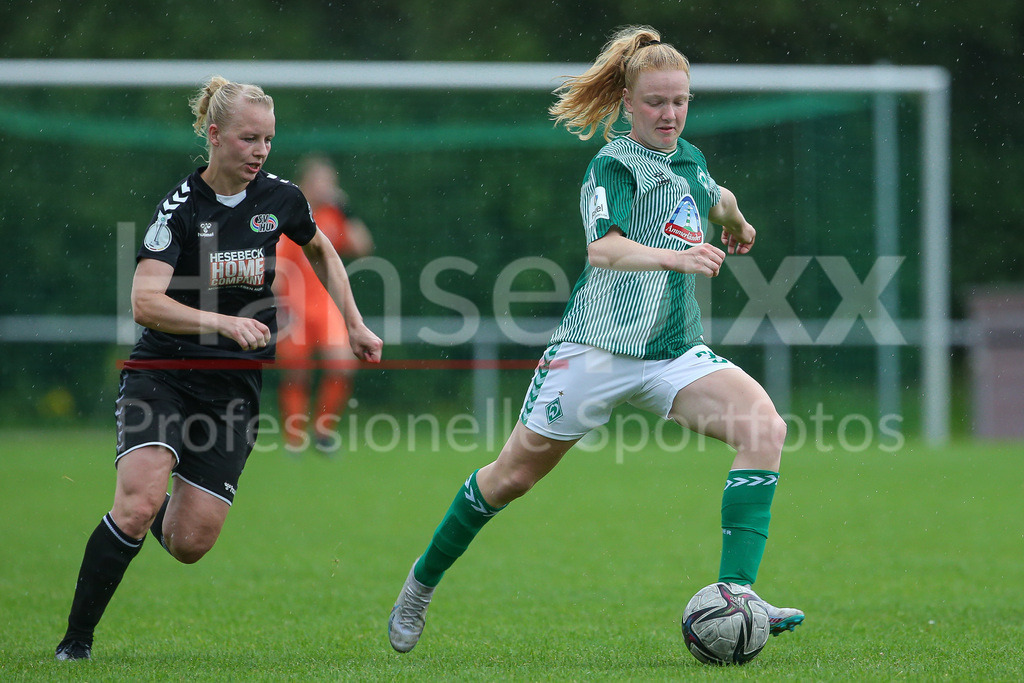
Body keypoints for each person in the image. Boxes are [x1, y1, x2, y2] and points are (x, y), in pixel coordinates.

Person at [388, 25, 804, 654]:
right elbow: (603, 249)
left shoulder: (689, 159)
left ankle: (737, 592)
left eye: (680, 101)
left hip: (671, 353)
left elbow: (715, 195)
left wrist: (737, 222)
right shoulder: (611, 165)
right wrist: (677, 258)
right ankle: (421, 584)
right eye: (656, 102)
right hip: (594, 353)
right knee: (511, 478)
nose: (669, 114)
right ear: (628, 103)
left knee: (764, 428)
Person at [54, 76, 383, 661]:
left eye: (268, 140)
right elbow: (145, 302)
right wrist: (224, 323)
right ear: (214, 135)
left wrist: (354, 323)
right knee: (135, 505)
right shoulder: (179, 208)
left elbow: (322, 249)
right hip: (162, 372)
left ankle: (152, 505)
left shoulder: (282, 199)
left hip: (232, 386)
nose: (260, 151)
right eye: (248, 139)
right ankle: (75, 641)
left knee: (189, 542)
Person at [274, 156, 374, 453]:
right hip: (293, 305)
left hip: (326, 304)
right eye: (322, 181)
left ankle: (323, 432)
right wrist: (278, 305)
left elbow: (363, 246)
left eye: (331, 182)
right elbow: (276, 267)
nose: (328, 187)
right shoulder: (288, 214)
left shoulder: (333, 215)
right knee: (296, 373)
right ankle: (294, 439)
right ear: (305, 183)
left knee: (342, 366)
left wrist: (347, 209)